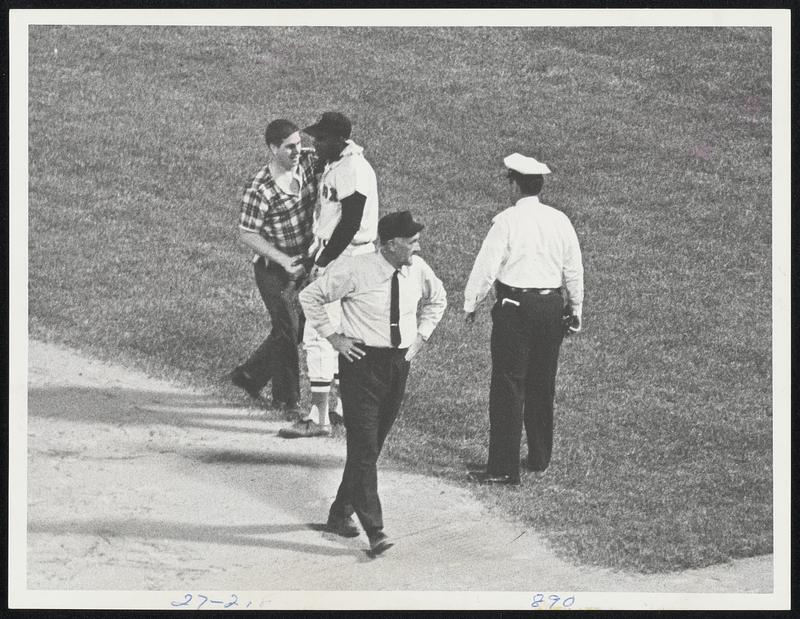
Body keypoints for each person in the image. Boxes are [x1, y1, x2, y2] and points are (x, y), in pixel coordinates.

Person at [299, 211, 447, 555]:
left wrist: (420, 338)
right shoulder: (356, 269)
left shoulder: (418, 270)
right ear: (392, 245)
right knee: (365, 448)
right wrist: (335, 339)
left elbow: (437, 299)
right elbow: (310, 297)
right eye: (412, 242)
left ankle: (339, 513)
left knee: (371, 447)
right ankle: (375, 530)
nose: (418, 246)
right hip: (361, 365)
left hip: (397, 364)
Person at [463, 153, 584, 485]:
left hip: (516, 308)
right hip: (551, 308)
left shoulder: (506, 221)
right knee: (542, 384)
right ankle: (539, 458)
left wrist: (471, 302)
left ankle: (502, 468)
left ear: (515, 185)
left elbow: (487, 266)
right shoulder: (561, 220)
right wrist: (576, 309)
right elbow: (573, 269)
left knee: (508, 385)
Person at [279, 111, 380, 439]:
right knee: (343, 331)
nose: (316, 144)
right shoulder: (340, 163)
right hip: (344, 255)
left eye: (321, 139)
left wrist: (323, 262)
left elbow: (351, 222)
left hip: (346, 257)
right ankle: (340, 409)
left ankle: (319, 418)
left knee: (318, 333)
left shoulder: (352, 169)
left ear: (340, 140)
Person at [229, 119, 318, 417]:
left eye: (299, 144)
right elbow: (247, 233)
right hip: (273, 268)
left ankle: (249, 375)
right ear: (272, 149)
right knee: (288, 328)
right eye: (289, 147)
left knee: (298, 329)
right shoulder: (260, 188)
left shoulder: (306, 161)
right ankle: (286, 399)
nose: (297, 151)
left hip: (303, 263)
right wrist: (284, 260)